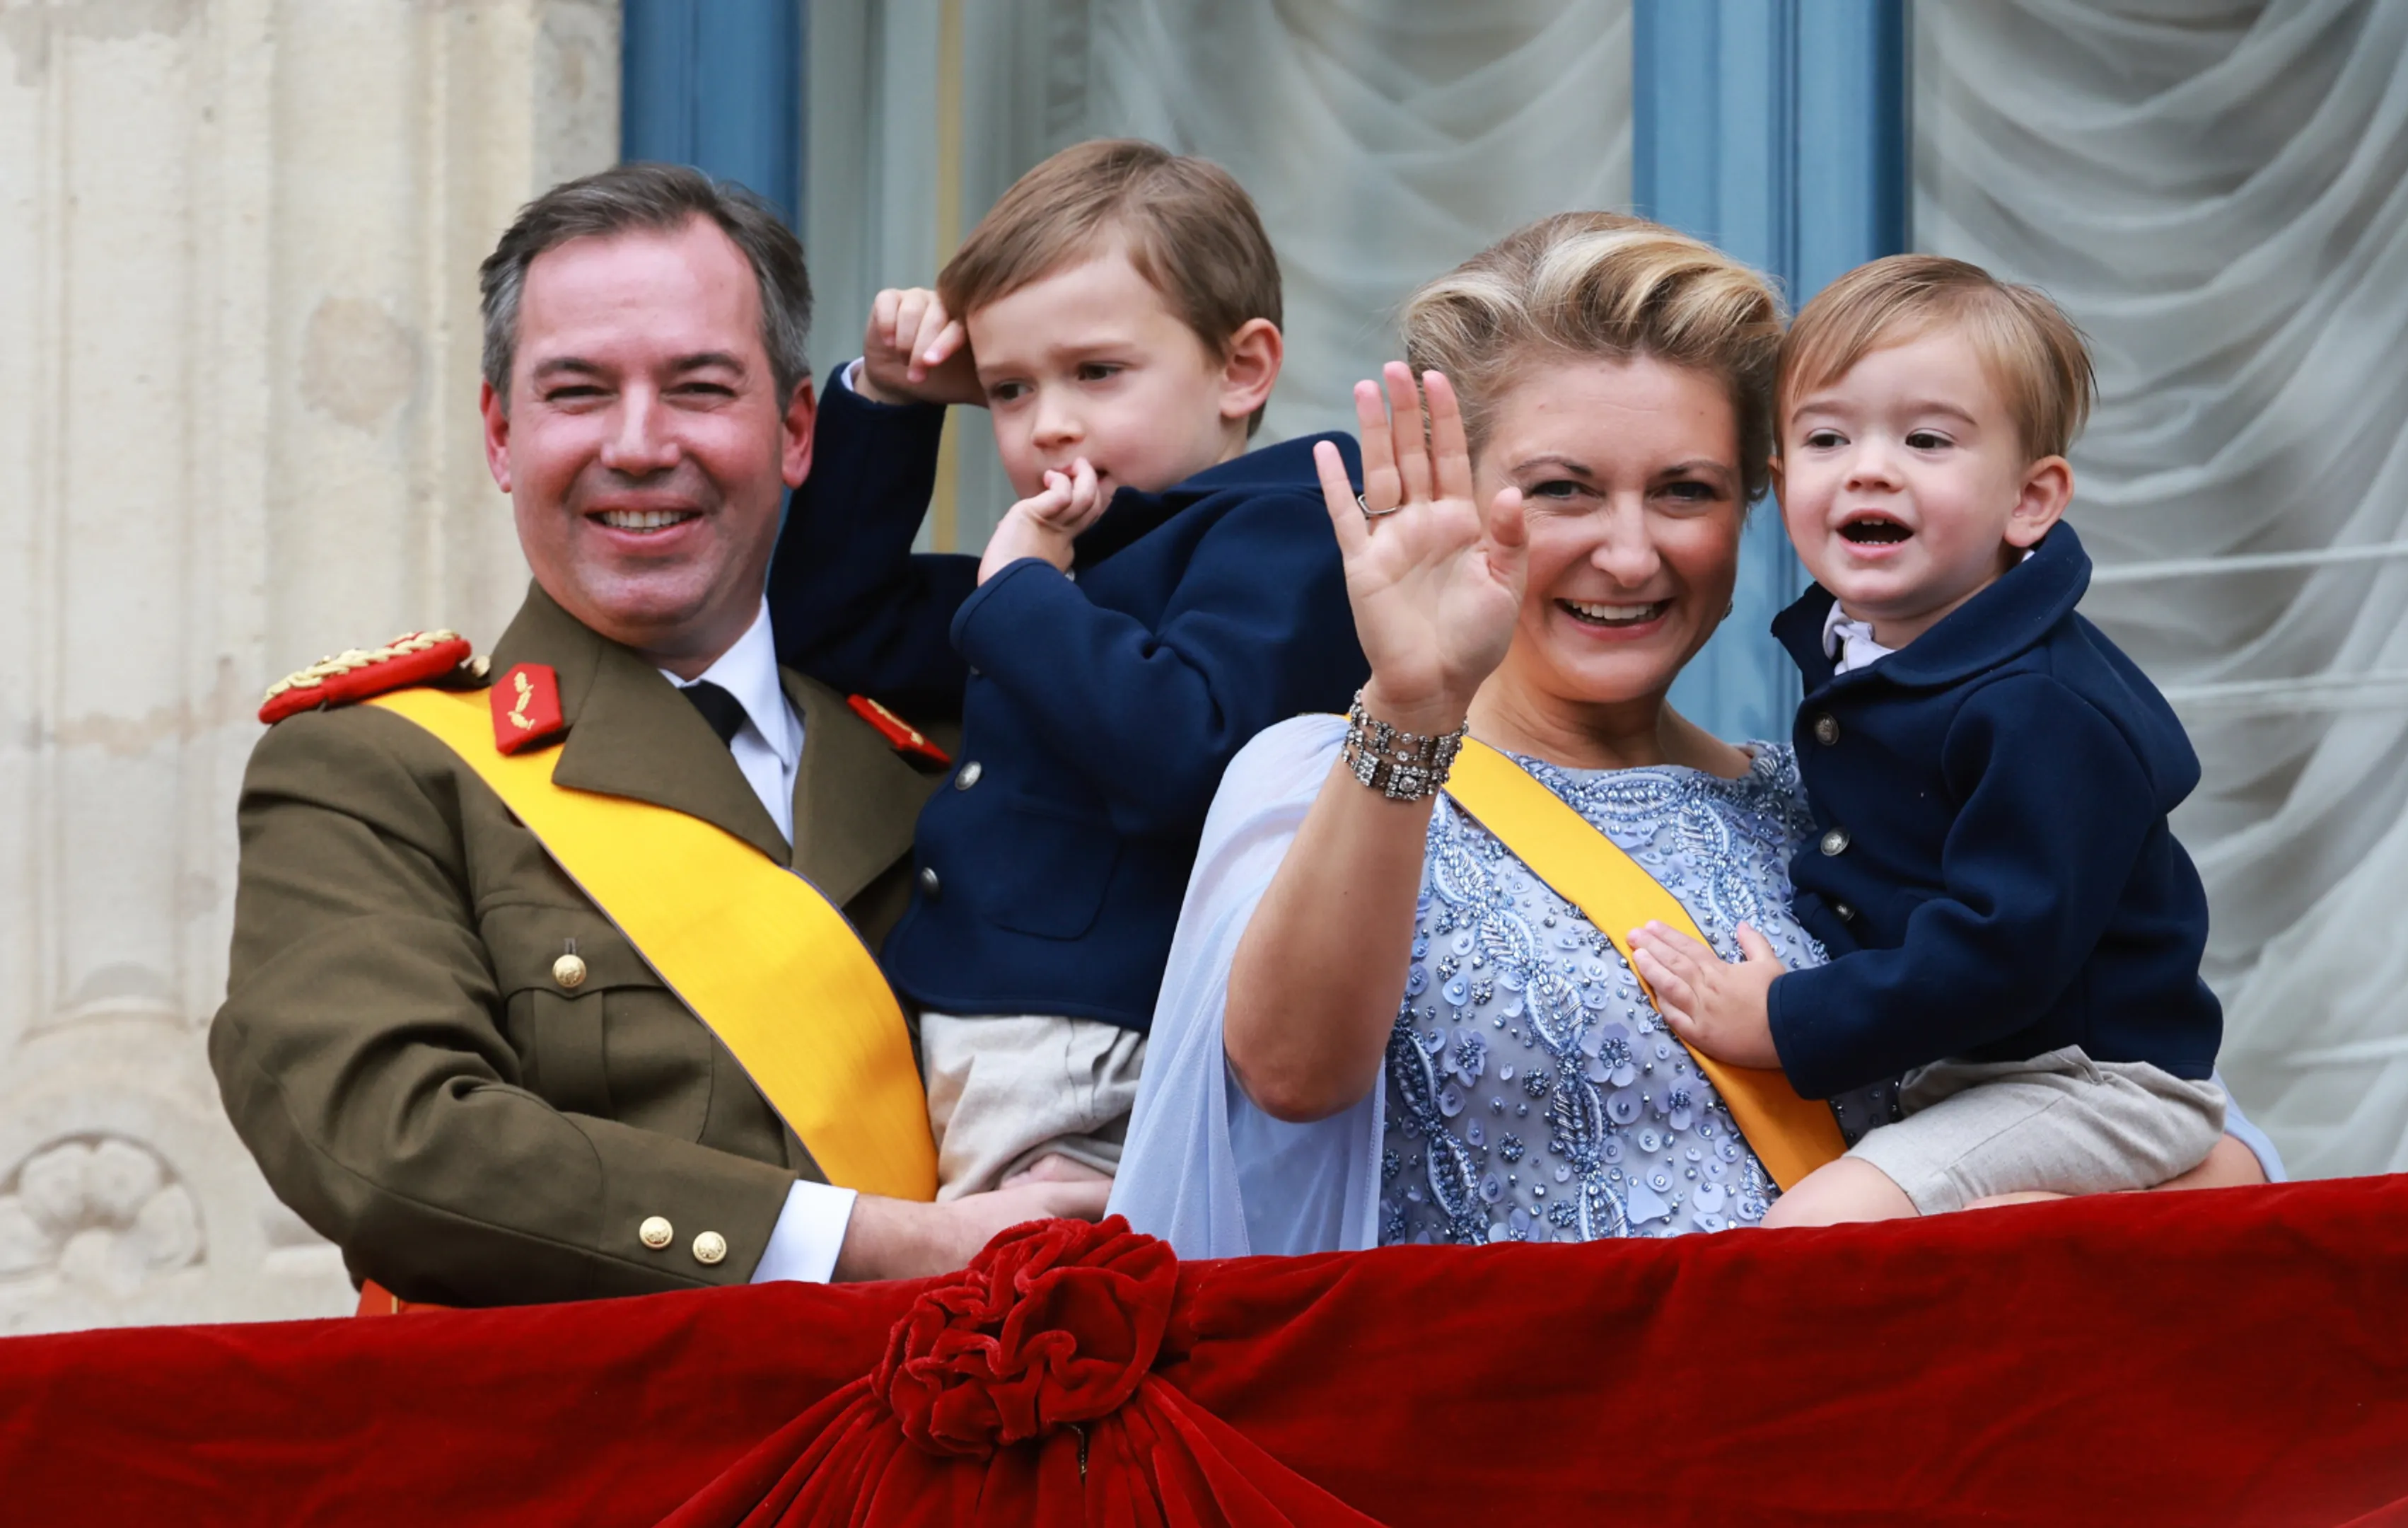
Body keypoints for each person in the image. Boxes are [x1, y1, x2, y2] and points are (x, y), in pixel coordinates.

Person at [1111, 210, 2282, 1260]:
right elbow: (1292, 1078)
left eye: (1686, 491)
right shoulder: (1347, 769)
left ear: (1756, 502)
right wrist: (1413, 706)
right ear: (1460, 493)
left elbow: (2189, 1143)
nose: (1631, 555)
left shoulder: (1836, 802)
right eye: (1564, 489)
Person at [208, 163, 1100, 1311]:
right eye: (577, 392)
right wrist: (885, 1246)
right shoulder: (374, 770)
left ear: (792, 431)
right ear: (498, 435)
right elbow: (389, 1144)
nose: (637, 446)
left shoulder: (958, 733)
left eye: (698, 388)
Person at [766, 140, 1368, 1203]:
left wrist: (1028, 599)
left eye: (1097, 372)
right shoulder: (1069, 567)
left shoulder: (1287, 529)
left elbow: (1192, 755)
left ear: (1242, 368)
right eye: (1007, 388)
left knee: (1036, 1342)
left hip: (1093, 1060)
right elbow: (833, 623)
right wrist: (896, 401)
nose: (1048, 422)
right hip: (968, 1045)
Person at [1628, 255, 2230, 1227]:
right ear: (1781, 484)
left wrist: (1785, 1020)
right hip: (1983, 1069)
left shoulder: (2040, 704)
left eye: (1926, 439)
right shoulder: (1888, 652)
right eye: (1827, 437)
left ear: (2030, 501)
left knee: (1815, 1233)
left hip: (2092, 1083)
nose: (1870, 465)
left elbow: (2003, 951)